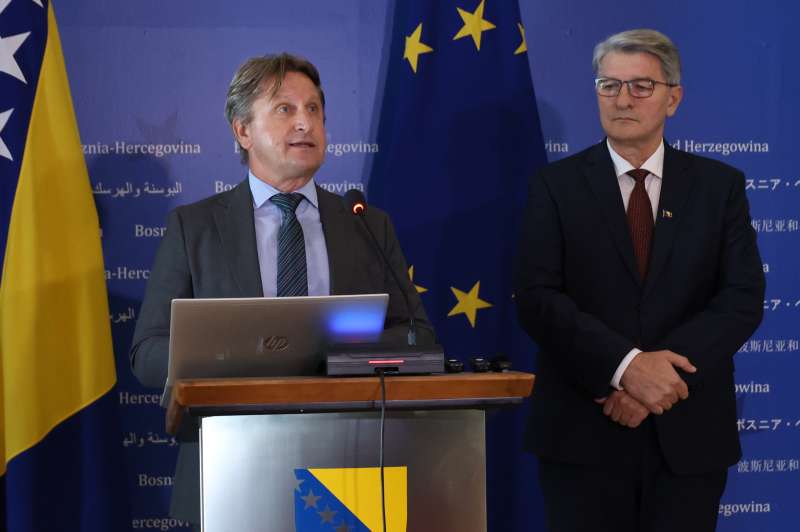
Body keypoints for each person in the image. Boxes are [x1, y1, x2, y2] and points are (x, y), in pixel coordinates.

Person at [130, 53, 434, 526]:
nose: (304, 123)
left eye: (314, 109)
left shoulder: (366, 224)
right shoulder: (195, 228)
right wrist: (226, 354)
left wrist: (330, 354)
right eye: (285, 109)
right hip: (231, 464)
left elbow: (417, 336)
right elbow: (146, 353)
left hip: (349, 464)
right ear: (243, 131)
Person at [515, 29, 764, 532]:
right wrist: (625, 367)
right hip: (584, 431)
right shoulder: (555, 186)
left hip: (687, 436)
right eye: (609, 85)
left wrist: (659, 378)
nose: (623, 99)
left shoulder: (719, 187)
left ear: (673, 98)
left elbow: (741, 299)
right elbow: (537, 298)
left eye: (641, 86)